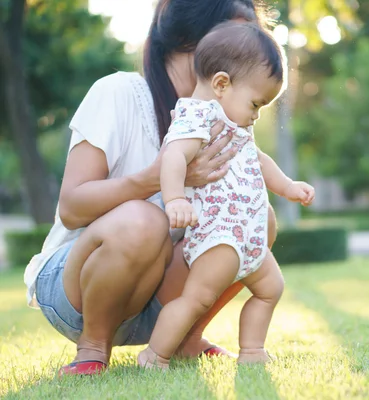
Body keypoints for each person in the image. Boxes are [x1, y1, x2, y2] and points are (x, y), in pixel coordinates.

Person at [23, 0, 279, 376]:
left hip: (153, 299)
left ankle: (185, 339)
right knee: (143, 221)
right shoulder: (119, 92)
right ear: (191, 40)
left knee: (257, 221)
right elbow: (72, 207)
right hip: (76, 289)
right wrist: (152, 178)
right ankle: (92, 348)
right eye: (238, 36)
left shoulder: (225, 118)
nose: (250, 49)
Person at [138, 22, 315, 368]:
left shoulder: (237, 126)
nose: (256, 114)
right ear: (221, 84)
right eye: (255, 103)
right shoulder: (198, 116)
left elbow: (259, 161)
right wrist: (175, 199)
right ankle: (155, 353)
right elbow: (173, 156)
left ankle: (252, 351)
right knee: (197, 299)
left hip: (247, 235)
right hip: (218, 234)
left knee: (270, 289)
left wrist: (289, 187)